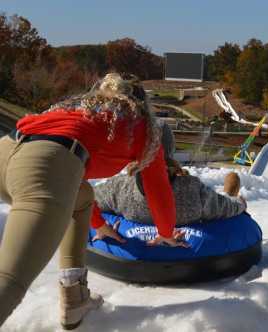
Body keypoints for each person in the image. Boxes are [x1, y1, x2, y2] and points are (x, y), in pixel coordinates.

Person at [0, 73, 184, 330]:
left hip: (7, 150)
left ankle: (75, 298)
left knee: (83, 196)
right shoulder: (141, 128)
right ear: (143, 106)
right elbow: (158, 190)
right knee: (9, 281)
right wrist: (166, 233)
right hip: (43, 166)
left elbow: (74, 189)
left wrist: (99, 224)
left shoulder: (79, 108)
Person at [91, 121, 246, 237]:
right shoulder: (191, 188)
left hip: (135, 235)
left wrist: (103, 225)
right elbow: (224, 207)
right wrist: (240, 204)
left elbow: (89, 199)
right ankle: (231, 192)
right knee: (233, 178)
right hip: (192, 245)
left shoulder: (121, 188)